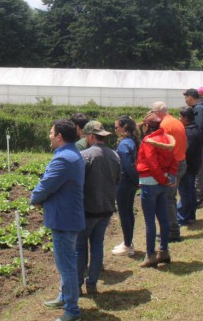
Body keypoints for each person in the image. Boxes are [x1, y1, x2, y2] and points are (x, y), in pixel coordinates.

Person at [32, 119, 85, 321]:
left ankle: (72, 311)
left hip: (64, 219)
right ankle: (65, 297)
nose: (49, 136)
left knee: (66, 266)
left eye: (51, 133)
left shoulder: (63, 159)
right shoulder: (73, 154)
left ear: (59, 137)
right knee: (67, 262)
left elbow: (46, 184)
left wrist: (34, 199)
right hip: (69, 216)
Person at [76, 121, 121, 295]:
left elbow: (78, 183)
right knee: (97, 245)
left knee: (80, 247)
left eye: (87, 136)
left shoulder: (84, 155)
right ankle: (92, 284)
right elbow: (117, 180)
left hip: (88, 209)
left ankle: (78, 285)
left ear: (93, 136)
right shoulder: (115, 155)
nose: (86, 138)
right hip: (107, 208)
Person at [136, 112, 177, 267]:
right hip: (163, 182)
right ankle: (164, 250)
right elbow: (175, 159)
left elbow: (152, 164)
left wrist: (162, 179)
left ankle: (150, 254)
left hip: (150, 182)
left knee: (149, 221)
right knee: (163, 217)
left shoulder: (149, 140)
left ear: (147, 126)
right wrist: (168, 178)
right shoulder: (168, 138)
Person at [150, 101, 187, 241]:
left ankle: (172, 232)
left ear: (158, 112)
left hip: (173, 166)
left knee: (168, 199)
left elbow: (162, 149)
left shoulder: (165, 126)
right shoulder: (176, 122)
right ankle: (171, 228)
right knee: (170, 197)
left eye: (153, 112)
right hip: (181, 161)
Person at [112, 116, 139, 257]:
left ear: (124, 128)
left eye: (116, 127)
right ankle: (128, 241)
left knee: (124, 213)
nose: (115, 129)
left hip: (124, 183)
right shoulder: (133, 141)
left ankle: (128, 245)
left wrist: (136, 180)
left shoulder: (123, 145)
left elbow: (128, 166)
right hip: (131, 183)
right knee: (128, 212)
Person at [183, 89, 203, 207]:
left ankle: (198, 197)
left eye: (186, 98)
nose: (185, 101)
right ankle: (199, 194)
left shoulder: (199, 109)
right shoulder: (201, 107)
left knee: (198, 170)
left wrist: (194, 142)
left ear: (190, 97)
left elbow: (199, 127)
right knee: (200, 169)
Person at [177, 106, 201, 226]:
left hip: (188, 166)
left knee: (185, 192)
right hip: (193, 165)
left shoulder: (189, 132)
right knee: (190, 191)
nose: (179, 119)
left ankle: (182, 217)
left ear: (186, 118)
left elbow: (187, 150)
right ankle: (190, 215)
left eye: (180, 117)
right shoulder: (194, 129)